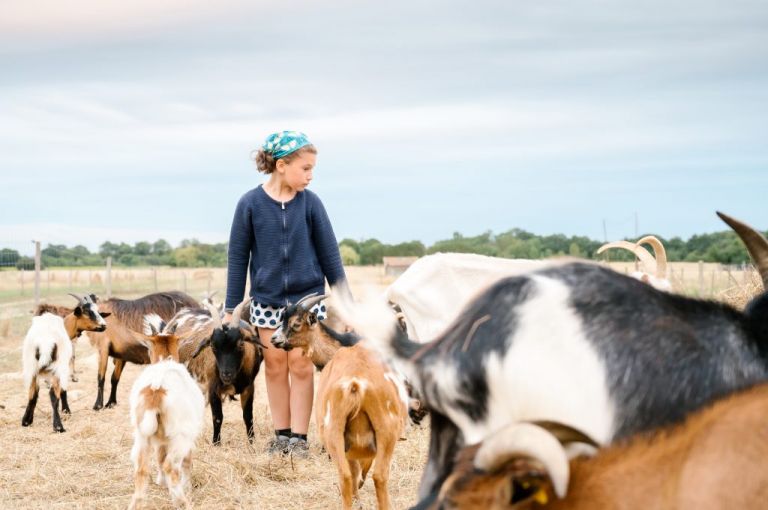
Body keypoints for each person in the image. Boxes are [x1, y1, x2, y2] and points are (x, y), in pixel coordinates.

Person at [224, 130, 348, 456]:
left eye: (312, 169)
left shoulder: (311, 204)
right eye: (305, 168)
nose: (310, 175)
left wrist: (346, 303)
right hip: (267, 302)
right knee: (276, 365)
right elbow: (238, 258)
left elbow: (330, 255)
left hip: (306, 303)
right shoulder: (250, 204)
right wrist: (230, 308)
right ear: (282, 165)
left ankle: (299, 438)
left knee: (302, 366)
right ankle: (281, 435)